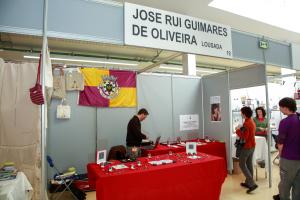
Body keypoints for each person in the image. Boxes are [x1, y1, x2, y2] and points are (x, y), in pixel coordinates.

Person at [273, 97, 300, 200]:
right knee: (298, 185)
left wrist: (280, 155)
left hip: (289, 158)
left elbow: (280, 143)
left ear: (285, 108)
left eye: (280, 107)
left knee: (284, 185)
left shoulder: (285, 122)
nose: (280, 109)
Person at [235, 106, 258, 194]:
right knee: (248, 164)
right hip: (252, 146)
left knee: (241, 164)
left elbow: (244, 136)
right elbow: (247, 133)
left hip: (247, 147)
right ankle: (248, 182)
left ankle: (252, 184)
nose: (240, 114)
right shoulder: (250, 121)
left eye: (241, 112)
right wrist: (241, 129)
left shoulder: (247, 123)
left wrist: (237, 130)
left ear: (244, 114)